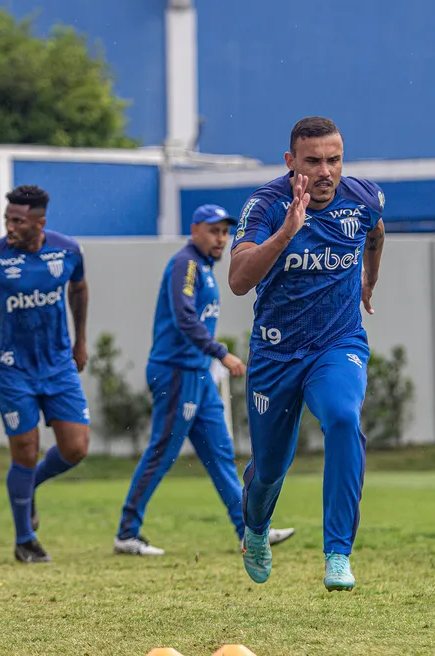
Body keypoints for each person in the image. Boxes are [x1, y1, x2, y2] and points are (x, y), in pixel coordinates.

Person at [228, 116, 386, 592]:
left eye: (334, 160)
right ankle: (255, 530)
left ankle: (338, 554)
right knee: (272, 467)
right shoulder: (267, 205)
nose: (325, 171)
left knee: (342, 416)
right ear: (290, 161)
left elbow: (376, 232)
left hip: (337, 345)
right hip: (276, 355)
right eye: (313, 161)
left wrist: (369, 279)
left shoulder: (363, 197)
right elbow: (238, 281)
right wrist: (287, 233)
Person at [114, 204, 296, 557]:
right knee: (162, 453)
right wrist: (220, 353)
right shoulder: (187, 264)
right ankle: (127, 532)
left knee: (221, 453)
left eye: (225, 232)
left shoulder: (207, 270)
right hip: (176, 371)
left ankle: (248, 530)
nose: (221, 238)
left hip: (197, 374)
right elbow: (185, 317)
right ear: (195, 229)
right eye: (214, 230)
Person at [0, 184, 91, 564]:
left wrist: (80, 342)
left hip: (58, 364)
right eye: (7, 219)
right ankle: (24, 540)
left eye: (18, 221)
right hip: (13, 369)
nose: (9, 227)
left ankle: (32, 487)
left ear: (40, 223)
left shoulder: (68, 250)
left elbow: (79, 290)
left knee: (76, 448)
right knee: (25, 451)